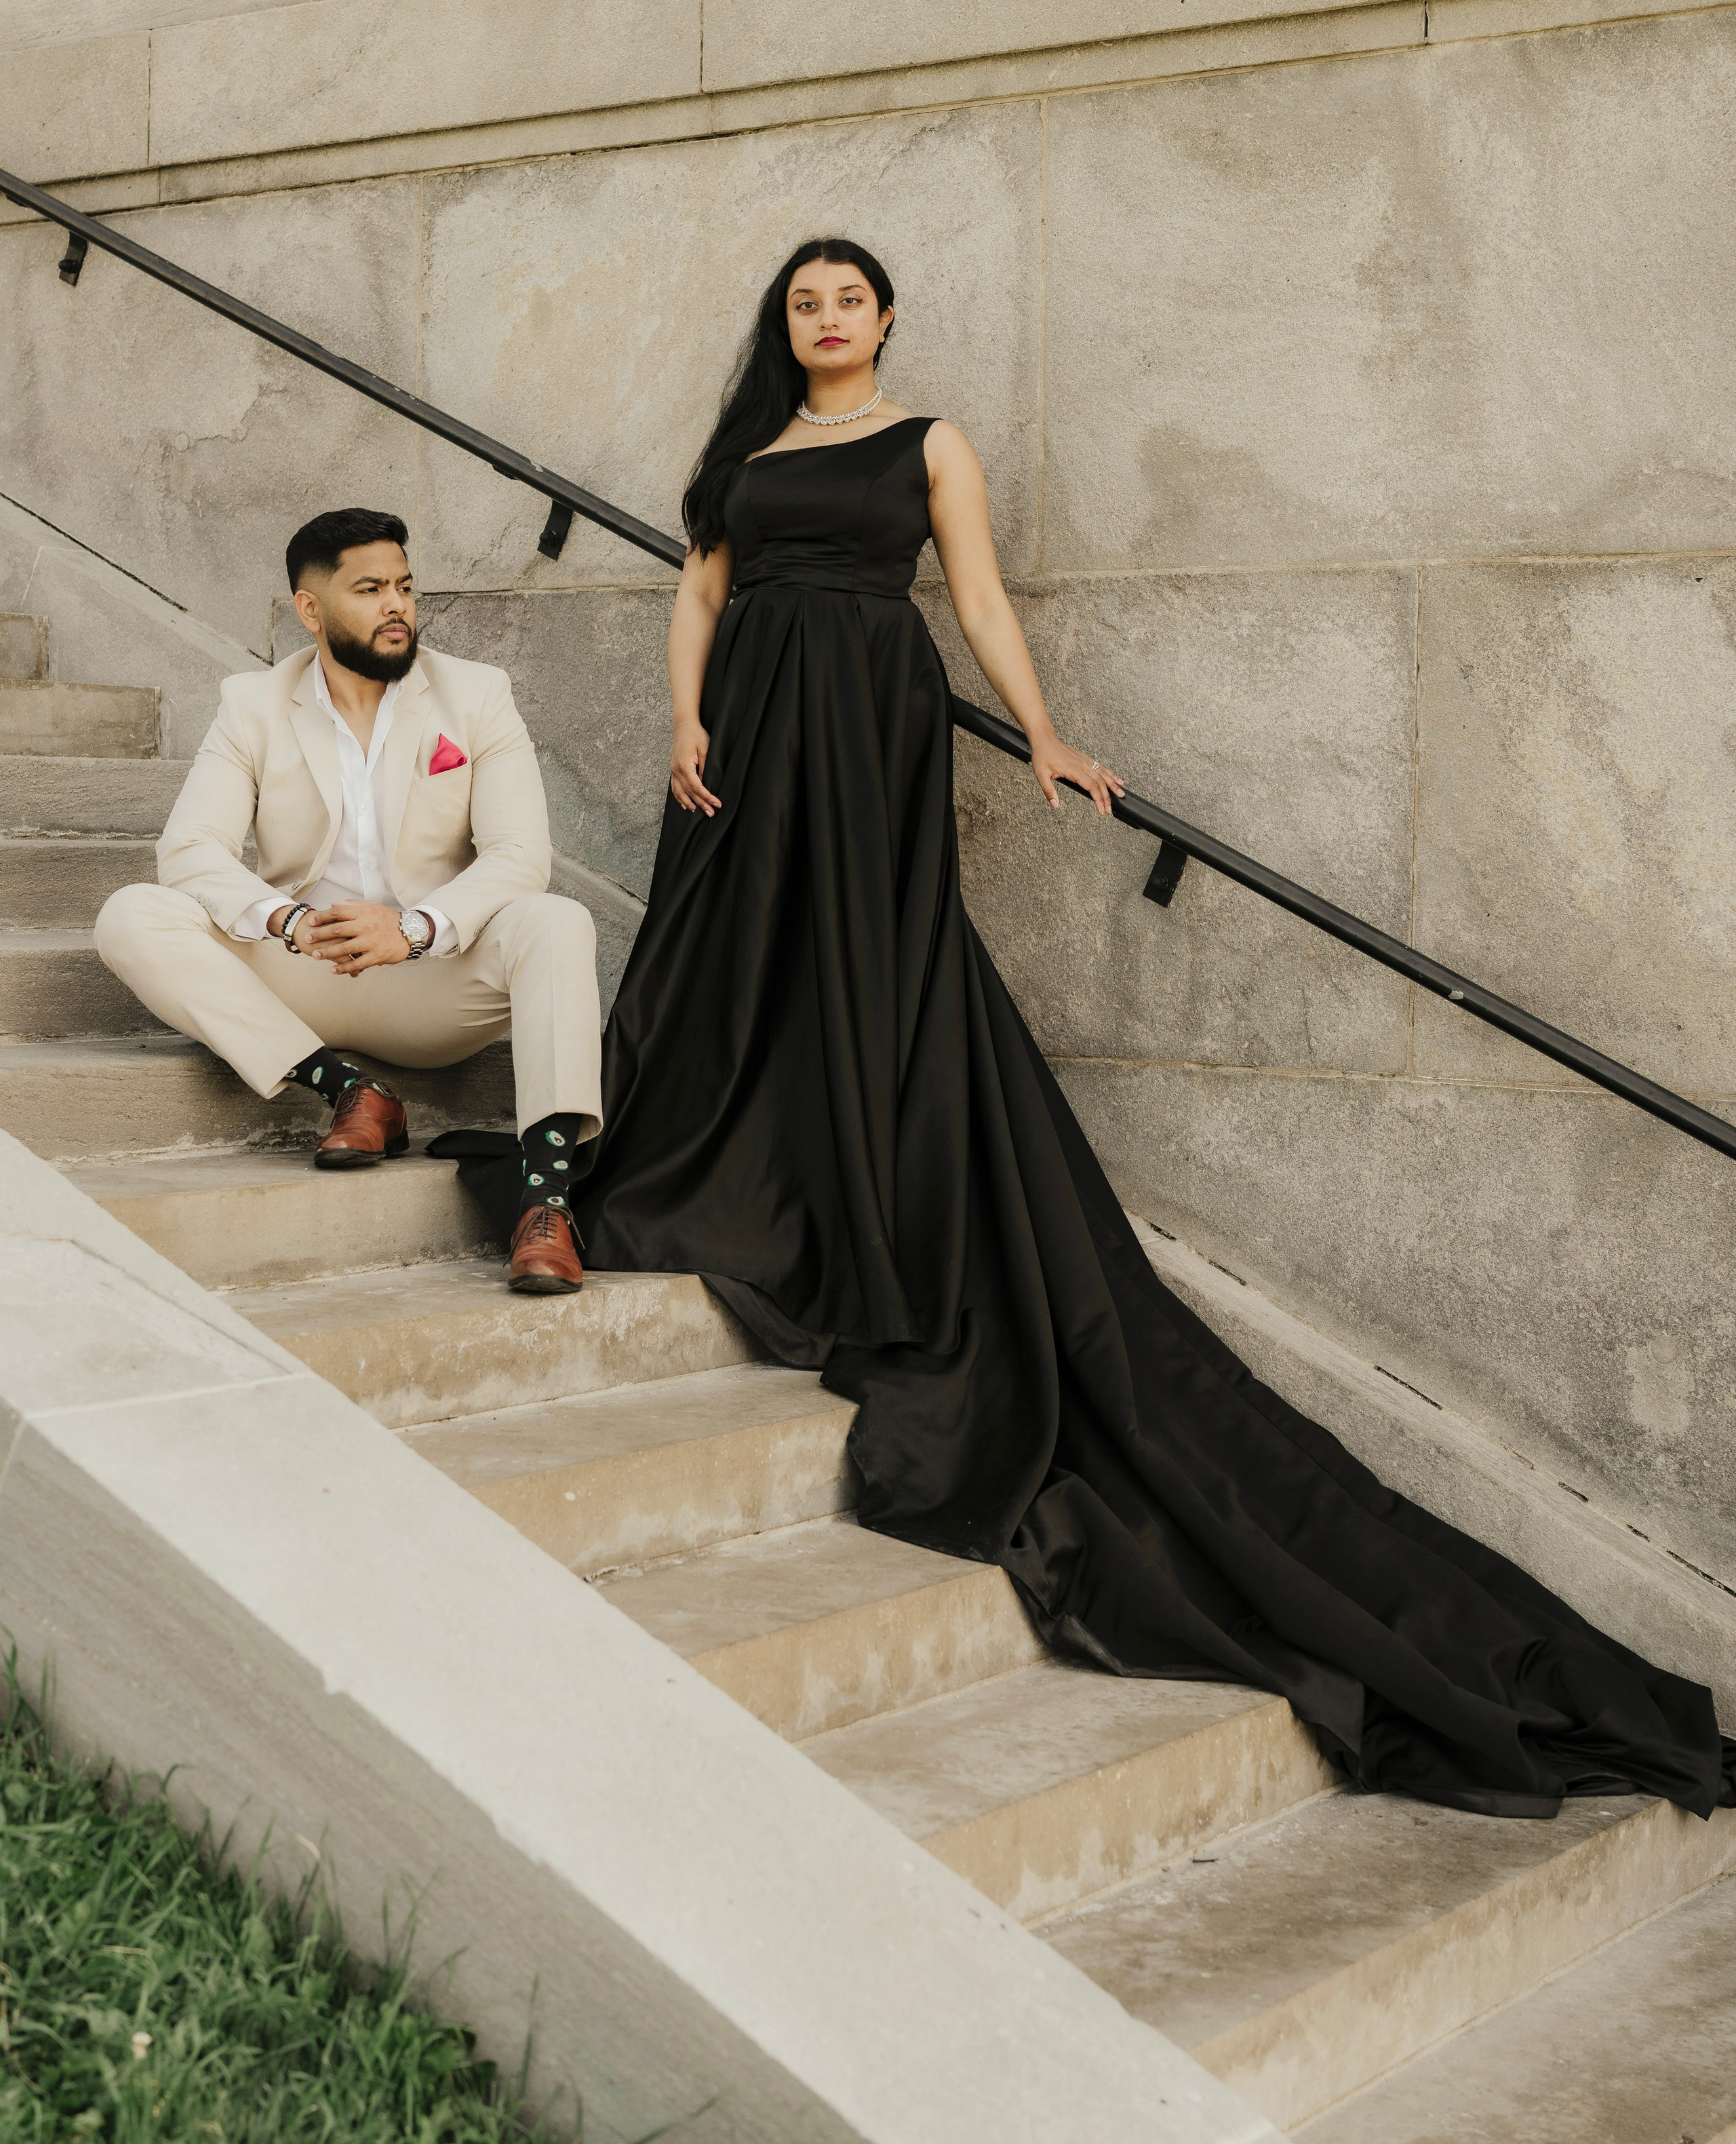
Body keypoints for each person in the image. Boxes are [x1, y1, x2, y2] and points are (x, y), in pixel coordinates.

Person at [546, 237, 1733, 1822]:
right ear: (788, 323)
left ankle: (859, 1204)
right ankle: (742, 1170)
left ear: (884, 318)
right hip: (750, 715)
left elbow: (974, 597)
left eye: (847, 298)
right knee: (741, 951)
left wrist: (1042, 731)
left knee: (873, 961)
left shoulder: (928, 444)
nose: (824, 317)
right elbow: (698, 592)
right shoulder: (747, 456)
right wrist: (685, 714)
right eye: (803, 301)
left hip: (871, 706)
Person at [93, 508, 600, 1294]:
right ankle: (352, 1093)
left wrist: (416, 929)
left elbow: (518, 854)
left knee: (558, 919)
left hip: (434, 982)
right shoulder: (253, 704)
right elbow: (190, 850)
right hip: (304, 971)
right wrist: (289, 922)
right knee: (132, 912)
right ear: (311, 608)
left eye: (405, 586)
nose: (396, 605)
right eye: (369, 590)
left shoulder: (476, 695)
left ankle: (545, 1206)